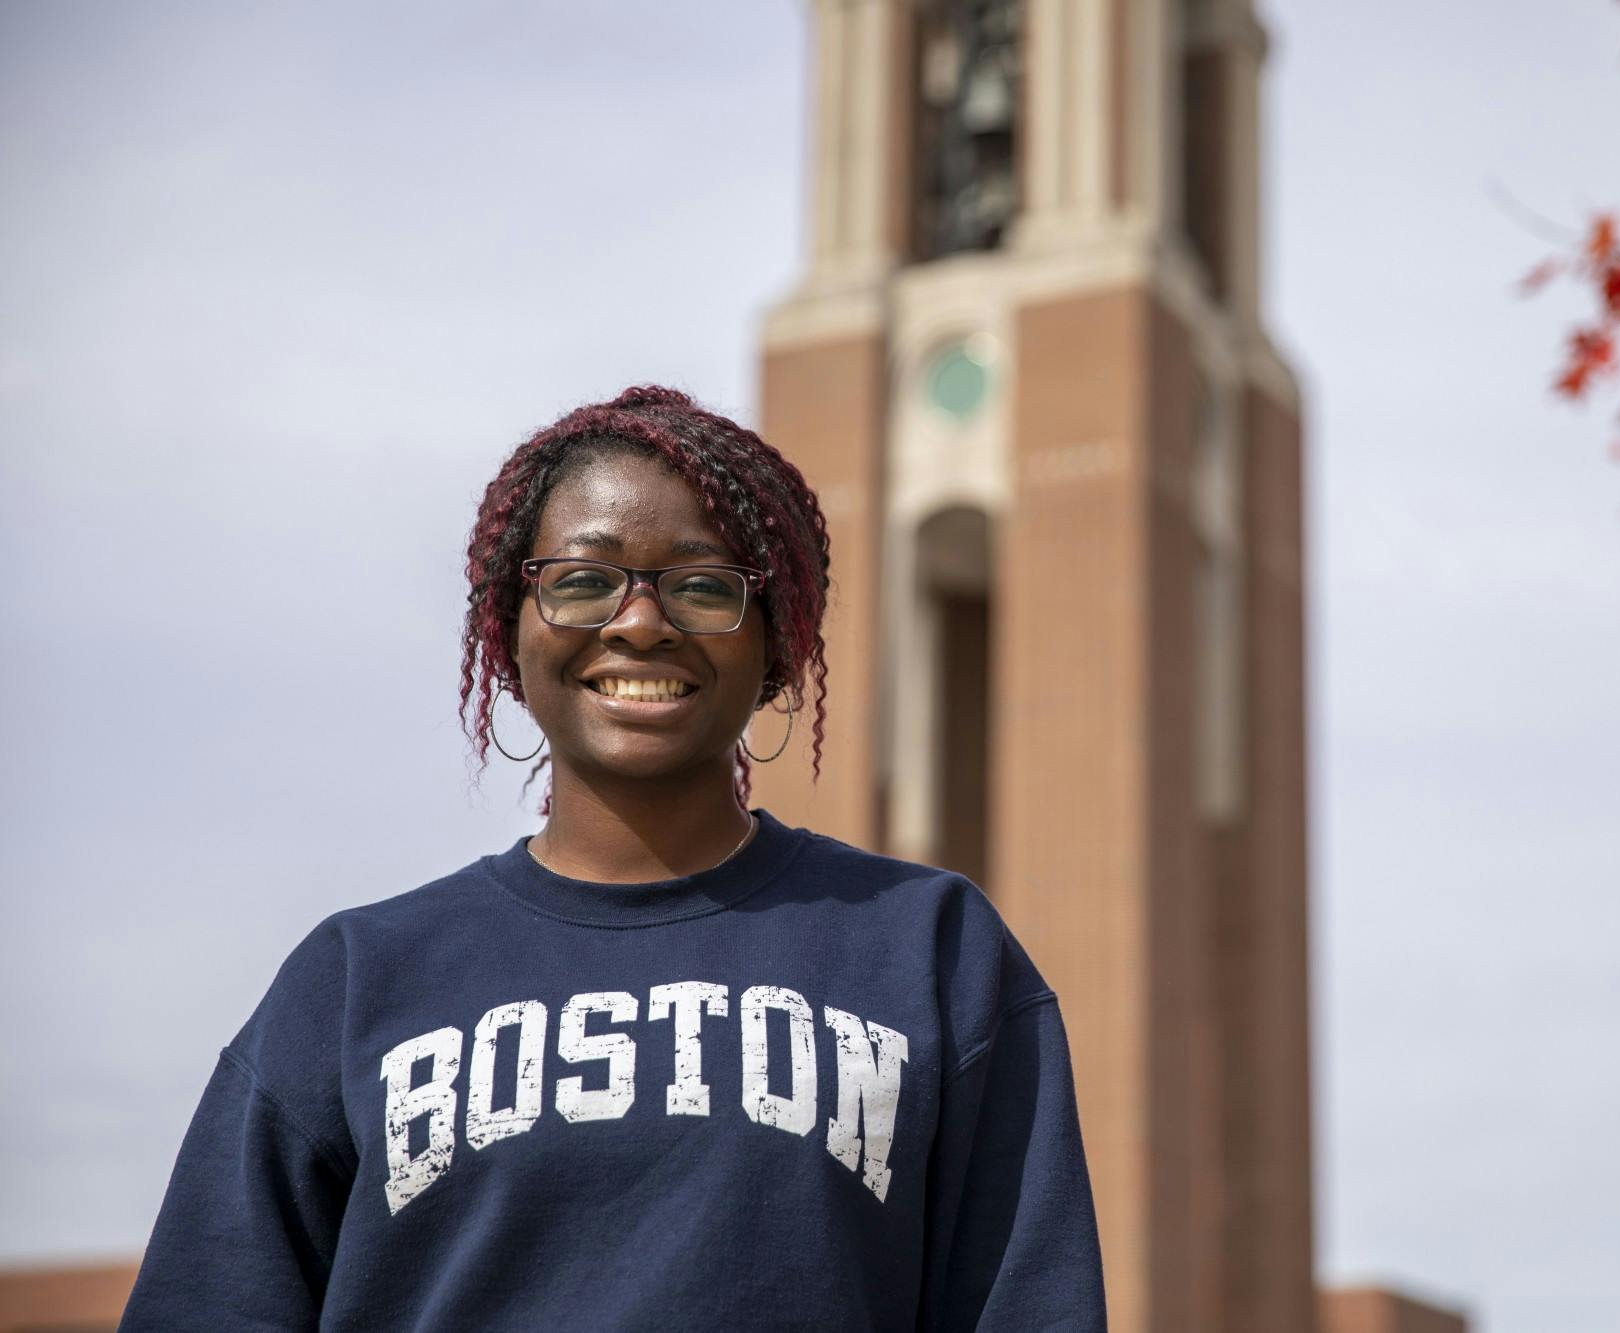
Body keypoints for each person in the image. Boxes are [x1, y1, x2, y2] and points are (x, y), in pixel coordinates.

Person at [120, 384, 1107, 1331]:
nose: (640, 621)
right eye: (584, 581)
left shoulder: (931, 952)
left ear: (776, 642)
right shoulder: (354, 981)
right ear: (511, 629)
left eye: (704, 585)